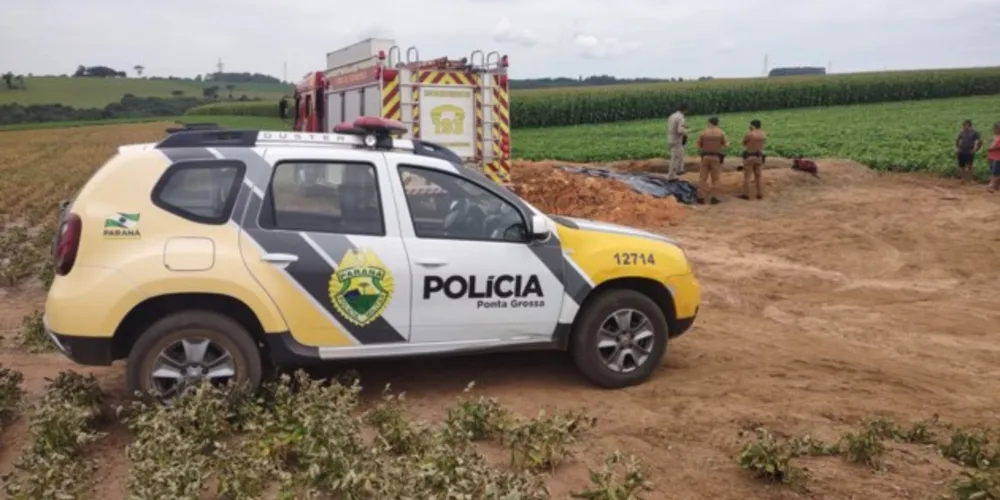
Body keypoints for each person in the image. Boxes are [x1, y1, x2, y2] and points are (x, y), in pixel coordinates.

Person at [695, 116, 729, 204]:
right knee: (716, 179)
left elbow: (698, 144)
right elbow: (726, 145)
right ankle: (714, 198)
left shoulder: (704, 132)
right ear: (717, 123)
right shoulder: (721, 132)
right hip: (716, 157)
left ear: (710, 122)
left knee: (702, 178)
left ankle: (701, 197)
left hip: (705, 157)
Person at [739, 119, 767, 200]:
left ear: (753, 125)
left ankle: (746, 194)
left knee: (747, 177)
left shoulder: (749, 134)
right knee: (758, 176)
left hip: (750, 157)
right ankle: (760, 194)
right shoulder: (763, 134)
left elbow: (743, 143)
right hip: (759, 157)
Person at [666, 103, 689, 179]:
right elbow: (680, 130)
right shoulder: (681, 117)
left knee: (677, 155)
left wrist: (684, 127)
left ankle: (678, 171)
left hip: (670, 137)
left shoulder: (672, 116)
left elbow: (673, 126)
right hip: (677, 140)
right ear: (685, 110)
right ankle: (671, 176)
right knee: (675, 158)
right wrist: (686, 130)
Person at [988, 122, 1000, 193]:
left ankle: (993, 186)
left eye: (996, 128)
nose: (994, 130)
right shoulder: (996, 137)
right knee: (994, 171)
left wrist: (992, 148)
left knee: (996, 172)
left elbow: (997, 146)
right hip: (993, 156)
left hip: (998, 157)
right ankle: (995, 186)